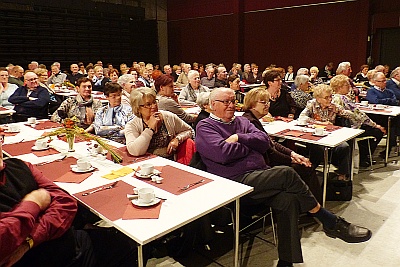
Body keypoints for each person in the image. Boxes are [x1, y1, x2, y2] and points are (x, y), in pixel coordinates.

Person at [196, 87, 371, 267]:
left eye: (233, 101)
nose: (231, 105)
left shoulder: (241, 121)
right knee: (286, 172)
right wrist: (251, 146)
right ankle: (328, 220)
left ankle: (286, 262)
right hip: (235, 183)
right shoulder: (205, 126)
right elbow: (222, 154)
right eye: (226, 102)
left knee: (287, 200)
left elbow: (264, 142)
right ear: (212, 105)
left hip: (259, 175)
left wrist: (238, 137)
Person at [0, 135, 143, 267]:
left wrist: (28, 241)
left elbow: (66, 202)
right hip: (43, 259)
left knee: (131, 245)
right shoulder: (25, 179)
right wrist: (34, 203)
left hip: (71, 245)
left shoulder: (19, 166)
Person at [242, 88, 323, 202]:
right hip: (263, 164)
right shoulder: (249, 122)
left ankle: (310, 206)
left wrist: (293, 153)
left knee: (302, 162)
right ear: (252, 104)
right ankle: (313, 208)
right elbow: (270, 151)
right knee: (304, 167)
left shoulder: (253, 119)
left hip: (269, 158)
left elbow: (272, 143)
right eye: (263, 102)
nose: (267, 105)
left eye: (268, 102)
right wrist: (291, 159)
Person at [299, 84, 355, 181]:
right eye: (326, 97)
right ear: (318, 98)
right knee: (318, 148)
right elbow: (302, 117)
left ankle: (342, 176)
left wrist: (341, 111)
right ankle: (311, 170)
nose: (329, 99)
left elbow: (351, 115)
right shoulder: (312, 104)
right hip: (315, 135)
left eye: (331, 96)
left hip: (330, 135)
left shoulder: (333, 106)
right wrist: (319, 123)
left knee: (344, 146)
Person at [331, 74, 385, 167]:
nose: (349, 87)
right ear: (339, 87)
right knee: (378, 131)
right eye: (347, 85)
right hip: (351, 129)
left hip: (343, 127)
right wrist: (376, 125)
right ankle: (363, 158)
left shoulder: (332, 97)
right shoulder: (343, 98)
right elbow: (359, 115)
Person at [125, 87, 193, 160]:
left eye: (154, 102)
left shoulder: (168, 116)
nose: (154, 106)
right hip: (146, 164)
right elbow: (135, 151)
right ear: (138, 108)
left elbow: (189, 130)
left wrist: (177, 139)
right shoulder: (132, 125)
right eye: (148, 104)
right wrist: (150, 129)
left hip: (170, 162)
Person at [365, 72, 399, 156]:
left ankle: (389, 148)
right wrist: (388, 101)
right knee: (391, 126)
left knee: (395, 124)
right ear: (375, 82)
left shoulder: (389, 91)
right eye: (382, 81)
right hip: (377, 117)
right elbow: (375, 102)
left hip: (390, 115)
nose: (385, 82)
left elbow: (395, 102)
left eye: (385, 80)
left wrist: (383, 101)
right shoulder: (371, 91)